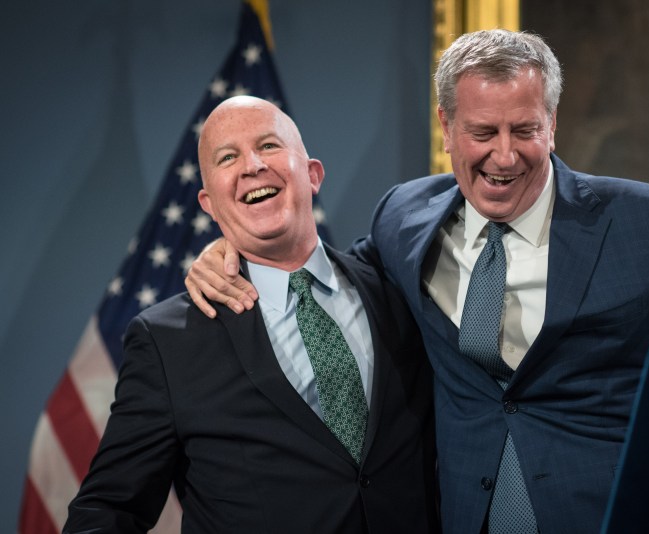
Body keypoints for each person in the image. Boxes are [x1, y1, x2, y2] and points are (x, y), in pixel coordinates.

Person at [185, 30, 649, 533]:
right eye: (483, 132)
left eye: (524, 130)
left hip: (616, 514)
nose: (504, 155)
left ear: (552, 125)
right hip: (463, 513)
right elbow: (335, 273)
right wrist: (234, 246)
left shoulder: (646, 222)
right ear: (447, 128)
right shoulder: (404, 218)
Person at [63, 96, 438, 533]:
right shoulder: (167, 341)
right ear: (209, 203)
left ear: (313, 175)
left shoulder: (398, 286)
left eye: (269, 145)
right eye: (228, 157)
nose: (252, 166)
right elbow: (107, 510)